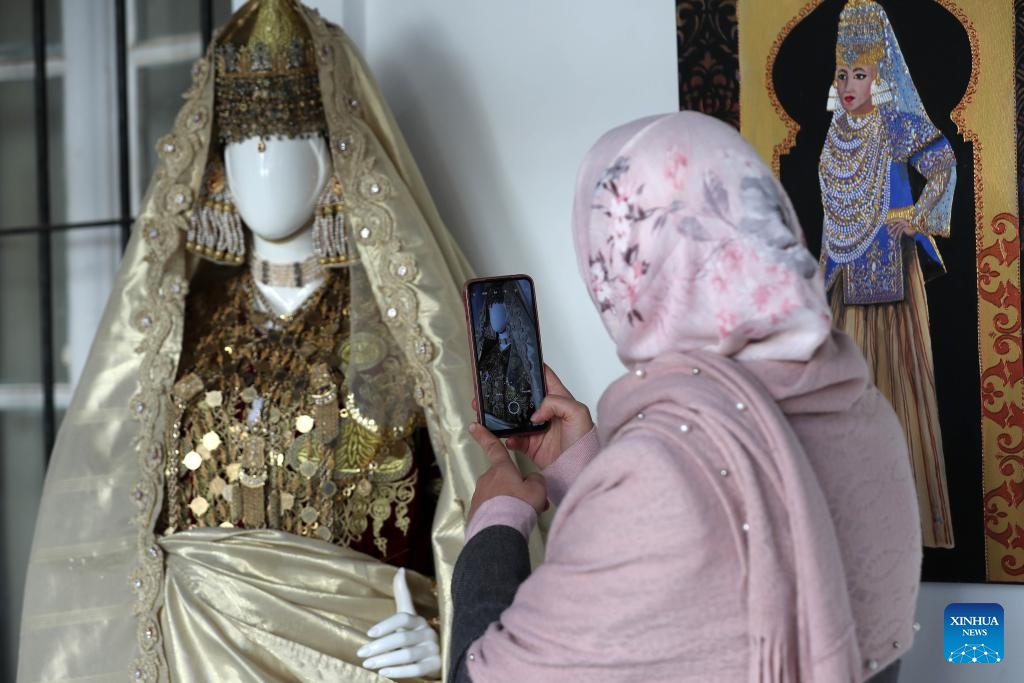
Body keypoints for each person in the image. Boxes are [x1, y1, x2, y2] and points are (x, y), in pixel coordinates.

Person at [18, 1, 485, 680]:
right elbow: (114, 516)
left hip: (356, 652)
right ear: (217, 161)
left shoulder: (396, 321)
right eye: (244, 141)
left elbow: (477, 489)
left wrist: (446, 626)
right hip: (196, 651)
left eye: (286, 137)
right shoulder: (177, 323)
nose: (263, 163)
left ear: (332, 153)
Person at [446, 111, 921, 682]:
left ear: (620, 265)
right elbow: (688, 598)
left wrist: (498, 519)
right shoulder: (864, 412)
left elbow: (479, 676)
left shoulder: (666, 470)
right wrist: (585, 471)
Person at [820, 0, 957, 548]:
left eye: (860, 73)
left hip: (894, 282)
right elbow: (836, 216)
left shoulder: (896, 125)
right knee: (847, 398)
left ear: (881, 75)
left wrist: (917, 216)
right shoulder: (837, 136)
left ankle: (913, 523)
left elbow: (942, 162)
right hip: (846, 281)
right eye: (842, 73)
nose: (850, 84)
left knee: (899, 391)